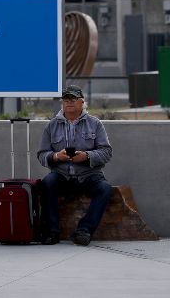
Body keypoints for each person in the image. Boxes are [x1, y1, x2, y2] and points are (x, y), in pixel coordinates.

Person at [37, 85, 113, 246]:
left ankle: (84, 230)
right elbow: (42, 154)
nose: (68, 103)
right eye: (65, 100)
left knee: (105, 189)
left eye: (72, 99)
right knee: (47, 183)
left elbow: (106, 152)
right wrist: (56, 156)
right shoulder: (51, 125)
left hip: (88, 175)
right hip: (61, 175)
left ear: (81, 102)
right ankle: (52, 231)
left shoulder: (95, 124)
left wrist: (86, 156)